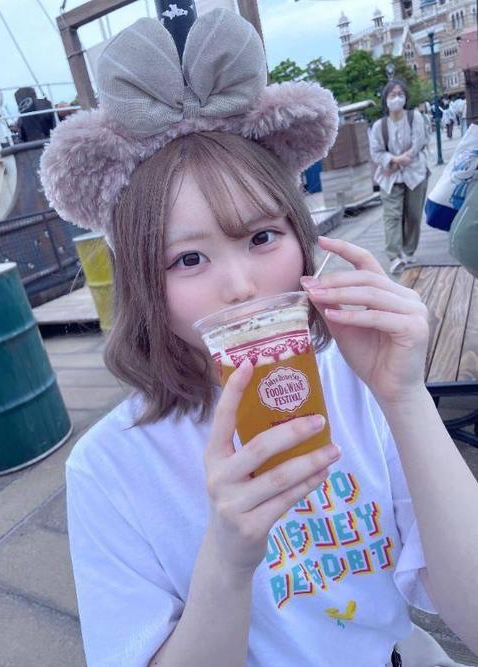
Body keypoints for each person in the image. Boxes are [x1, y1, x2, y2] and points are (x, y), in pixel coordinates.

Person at [40, 11, 478, 667]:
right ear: (142, 281)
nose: (241, 286)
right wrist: (228, 554)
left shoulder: (359, 389)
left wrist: (406, 399)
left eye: (262, 236)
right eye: (188, 259)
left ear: (302, 238)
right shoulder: (109, 468)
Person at [369, 80, 430, 274]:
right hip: (390, 179)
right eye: (392, 95)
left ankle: (409, 251)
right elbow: (376, 152)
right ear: (385, 99)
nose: (396, 98)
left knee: (413, 215)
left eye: (400, 94)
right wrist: (394, 159)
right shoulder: (379, 126)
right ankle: (394, 256)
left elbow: (418, 142)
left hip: (415, 174)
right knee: (392, 216)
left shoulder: (415, 117)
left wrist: (401, 160)